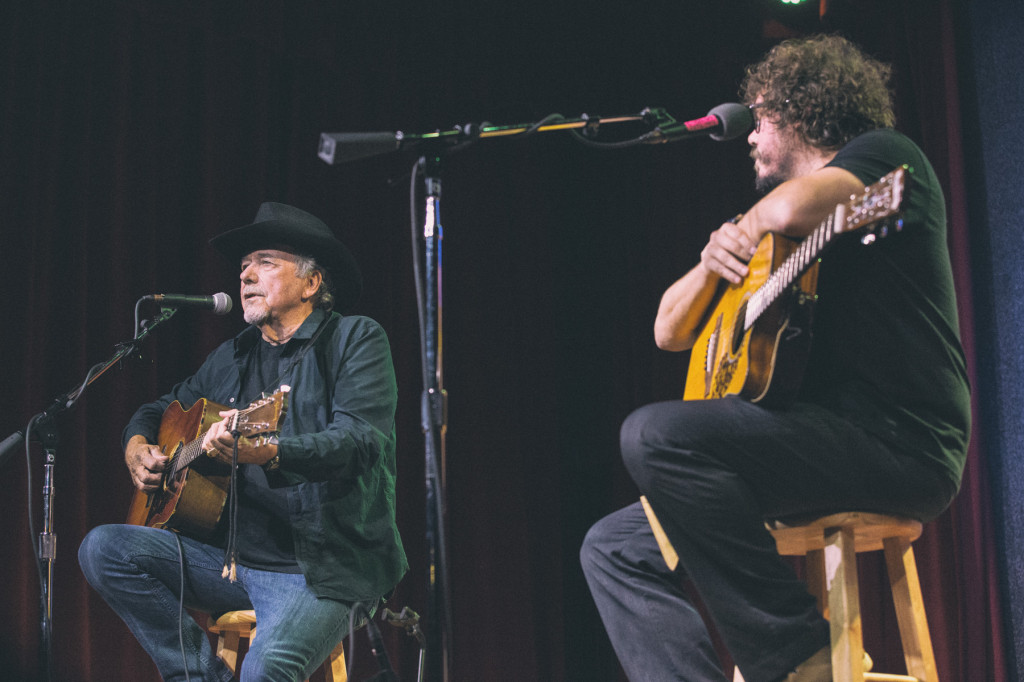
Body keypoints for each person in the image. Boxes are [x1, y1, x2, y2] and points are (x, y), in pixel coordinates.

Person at [580, 35, 970, 682]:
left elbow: (789, 206)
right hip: (812, 446)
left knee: (655, 433)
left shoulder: (883, 160)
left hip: (900, 442)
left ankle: (798, 656)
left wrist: (754, 223)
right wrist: (712, 261)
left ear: (800, 110)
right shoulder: (768, 234)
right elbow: (669, 330)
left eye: (757, 119)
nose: (749, 138)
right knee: (613, 547)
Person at [79, 202, 408, 681]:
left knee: (265, 670)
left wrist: (269, 452)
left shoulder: (355, 340)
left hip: (321, 567)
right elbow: (157, 409)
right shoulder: (232, 355)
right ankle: (196, 675)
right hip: (232, 565)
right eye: (242, 267)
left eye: (265, 262)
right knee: (105, 549)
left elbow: (360, 442)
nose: (246, 275)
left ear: (312, 283)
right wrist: (136, 444)